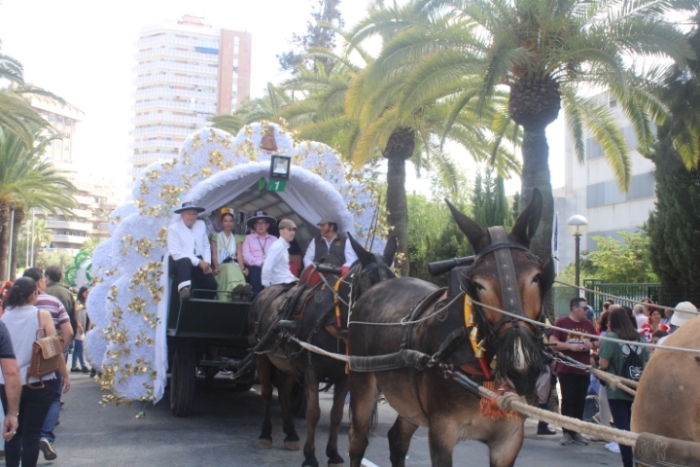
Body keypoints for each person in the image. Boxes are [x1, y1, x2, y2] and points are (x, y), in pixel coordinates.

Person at [0, 277, 70, 467]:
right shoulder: (41, 315)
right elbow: (54, 350)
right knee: (32, 434)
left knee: (12, 431)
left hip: (8, 383)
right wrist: (64, 374)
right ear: (33, 293)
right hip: (39, 380)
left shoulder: (4, 316)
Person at [22, 268, 73, 461]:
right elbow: (67, 332)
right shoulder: (54, 302)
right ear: (40, 282)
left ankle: (20, 437)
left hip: (20, 364)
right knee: (53, 397)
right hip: (49, 360)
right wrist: (58, 353)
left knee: (24, 401)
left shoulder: (12, 305)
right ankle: (45, 435)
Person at [599, 306, 650, 467]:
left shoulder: (612, 337)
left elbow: (603, 363)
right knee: (635, 428)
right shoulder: (641, 339)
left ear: (612, 323)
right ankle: (640, 461)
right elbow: (647, 363)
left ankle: (627, 463)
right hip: (636, 389)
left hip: (617, 390)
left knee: (622, 429)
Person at [549, 297, 599, 446]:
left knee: (579, 401)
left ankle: (576, 431)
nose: (586, 311)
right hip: (567, 368)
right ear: (575, 308)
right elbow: (552, 342)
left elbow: (597, 341)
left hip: (583, 368)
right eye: (584, 308)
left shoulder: (588, 324)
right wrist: (570, 347)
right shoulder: (562, 323)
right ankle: (566, 432)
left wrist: (591, 344)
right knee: (568, 400)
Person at [168, 201, 218, 300]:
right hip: (181, 262)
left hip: (199, 261)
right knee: (185, 261)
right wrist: (199, 262)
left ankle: (202, 310)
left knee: (212, 284)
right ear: (182, 215)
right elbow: (176, 253)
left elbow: (206, 246)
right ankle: (184, 290)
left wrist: (206, 263)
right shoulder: (173, 229)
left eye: (194, 213)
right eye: (188, 213)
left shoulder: (201, 224)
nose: (191, 216)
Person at [210, 208, 251, 300]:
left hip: (234, 264)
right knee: (229, 267)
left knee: (235, 268)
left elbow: (239, 255)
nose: (228, 223)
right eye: (225, 221)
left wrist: (243, 268)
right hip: (221, 265)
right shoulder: (215, 236)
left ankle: (242, 290)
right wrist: (215, 267)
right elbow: (214, 255)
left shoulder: (237, 238)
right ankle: (235, 289)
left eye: (230, 221)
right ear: (221, 223)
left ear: (233, 223)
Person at [242, 211, 277, 294]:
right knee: (255, 274)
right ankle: (255, 301)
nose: (260, 225)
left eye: (263, 222)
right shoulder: (247, 238)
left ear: (268, 225)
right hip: (255, 267)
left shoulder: (274, 239)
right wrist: (260, 263)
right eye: (257, 223)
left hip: (271, 267)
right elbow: (246, 256)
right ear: (254, 226)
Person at [261, 219, 298, 287]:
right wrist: (267, 287)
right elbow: (266, 268)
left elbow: (283, 270)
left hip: (287, 282)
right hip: (282, 285)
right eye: (289, 230)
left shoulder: (283, 246)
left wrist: (294, 278)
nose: (292, 233)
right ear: (281, 231)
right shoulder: (278, 247)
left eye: (293, 230)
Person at [71, 287, 89, 373]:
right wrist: (79, 326)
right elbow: (74, 316)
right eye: (86, 292)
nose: (88, 294)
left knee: (77, 348)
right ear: (82, 293)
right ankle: (83, 365)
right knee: (80, 347)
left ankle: (74, 366)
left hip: (85, 327)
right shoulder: (78, 303)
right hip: (79, 328)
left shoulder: (87, 303)